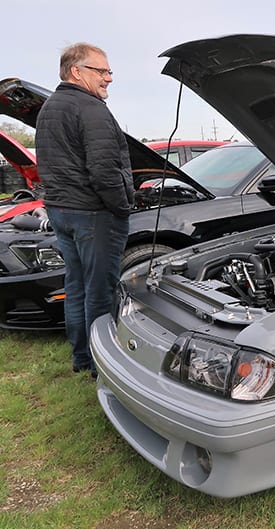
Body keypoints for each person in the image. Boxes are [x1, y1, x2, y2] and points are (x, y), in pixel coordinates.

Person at [35, 43, 133, 378]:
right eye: (101, 71)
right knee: (99, 291)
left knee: (75, 286)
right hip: (93, 214)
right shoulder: (91, 109)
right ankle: (101, 367)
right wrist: (122, 207)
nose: (108, 78)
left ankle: (82, 357)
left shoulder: (49, 107)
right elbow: (104, 170)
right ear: (77, 71)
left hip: (61, 210)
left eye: (109, 72)